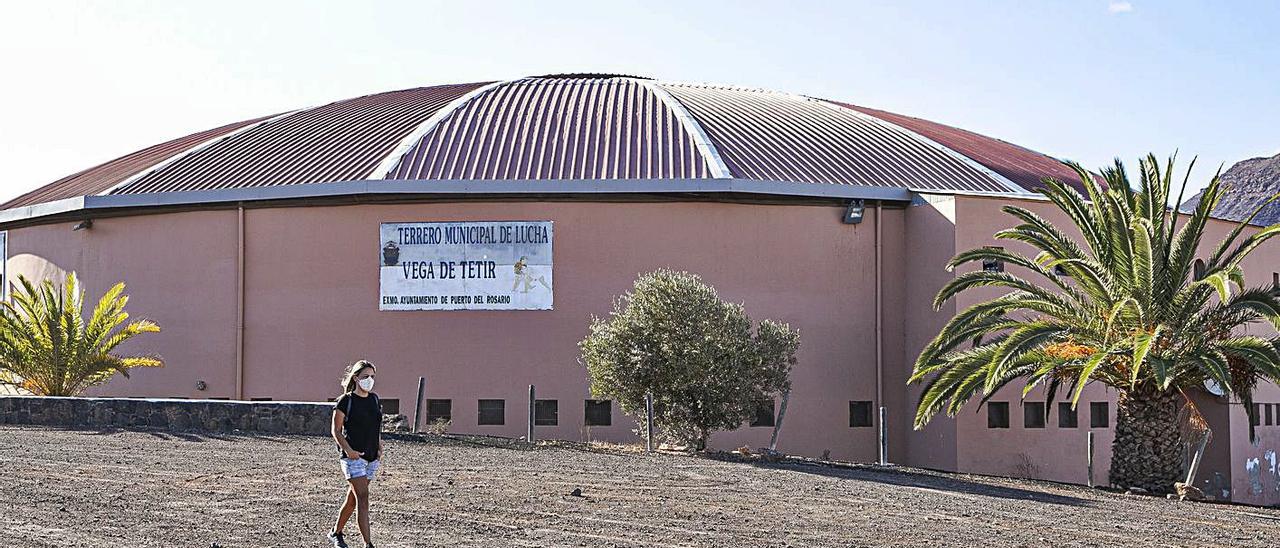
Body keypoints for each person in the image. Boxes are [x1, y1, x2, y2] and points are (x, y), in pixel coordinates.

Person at [328, 360, 383, 548]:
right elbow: (336, 430)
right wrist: (348, 451)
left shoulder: (374, 399)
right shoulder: (346, 401)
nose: (369, 380)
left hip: (371, 458)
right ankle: (368, 544)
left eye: (372, 376)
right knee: (363, 498)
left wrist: (379, 446)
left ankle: (336, 533)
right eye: (366, 376)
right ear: (356, 377)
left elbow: (375, 426)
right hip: (353, 458)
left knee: (352, 499)